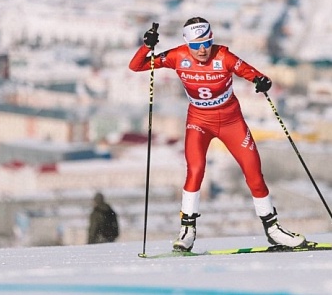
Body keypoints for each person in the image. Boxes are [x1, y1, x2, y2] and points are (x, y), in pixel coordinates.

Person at [129, 17, 306, 252]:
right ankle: (187, 231)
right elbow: (137, 65)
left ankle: (273, 230)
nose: (202, 50)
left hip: (231, 122)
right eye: (196, 45)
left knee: (253, 172)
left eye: (207, 43)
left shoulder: (224, 57)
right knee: (196, 170)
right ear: (187, 44)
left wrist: (262, 82)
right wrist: (147, 47)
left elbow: (254, 74)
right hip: (199, 122)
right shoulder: (177, 56)